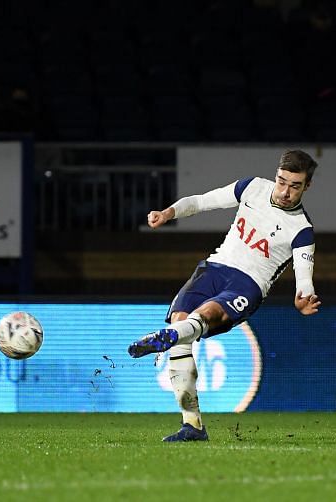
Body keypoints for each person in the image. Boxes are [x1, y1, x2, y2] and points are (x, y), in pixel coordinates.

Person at [127, 149, 322, 442]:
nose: (285, 191)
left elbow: (304, 280)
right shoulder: (251, 188)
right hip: (214, 269)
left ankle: (167, 338)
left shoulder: (302, 231)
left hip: (248, 285)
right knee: (182, 325)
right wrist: (168, 213)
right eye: (282, 182)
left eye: (295, 186)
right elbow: (202, 202)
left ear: (307, 186)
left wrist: (303, 296)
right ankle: (192, 426)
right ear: (276, 175)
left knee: (203, 317)